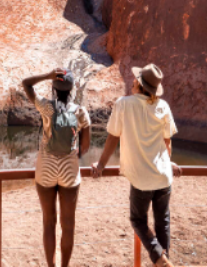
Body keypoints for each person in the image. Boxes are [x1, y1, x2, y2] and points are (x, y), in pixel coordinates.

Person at [91, 64, 180, 267]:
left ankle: (159, 258)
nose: (132, 81)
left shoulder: (123, 104)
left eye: (135, 79)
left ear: (138, 84)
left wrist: (102, 164)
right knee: (162, 222)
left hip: (141, 178)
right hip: (164, 176)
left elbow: (113, 136)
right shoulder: (162, 106)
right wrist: (168, 161)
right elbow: (167, 142)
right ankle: (164, 261)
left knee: (137, 220)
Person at [23, 68, 92, 267]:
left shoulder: (46, 107)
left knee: (49, 222)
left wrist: (47, 76)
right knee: (68, 225)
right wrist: (73, 155)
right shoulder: (80, 111)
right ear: (71, 89)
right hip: (69, 171)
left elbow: (26, 84)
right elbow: (85, 146)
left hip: (45, 169)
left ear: (54, 87)